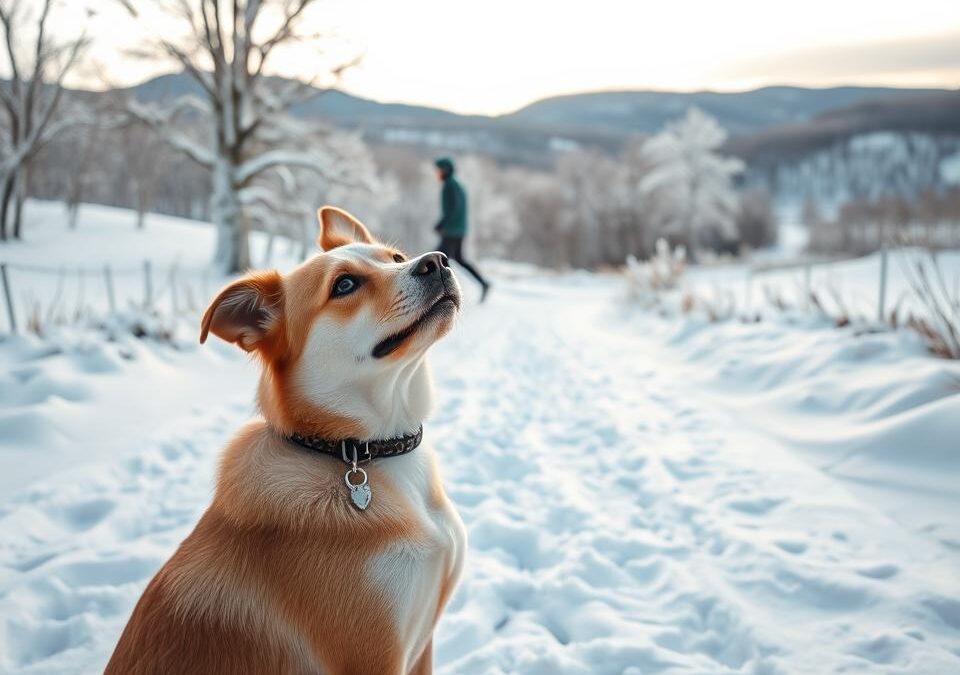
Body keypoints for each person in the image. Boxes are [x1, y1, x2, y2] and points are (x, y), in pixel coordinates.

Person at [433, 157, 491, 302]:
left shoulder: (450, 185)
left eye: (440, 170)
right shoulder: (457, 184)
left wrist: (443, 223)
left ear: (446, 170)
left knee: (438, 260)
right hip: (459, 230)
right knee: (458, 259)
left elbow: (455, 208)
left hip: (452, 230)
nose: (438, 173)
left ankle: (444, 294)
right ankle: (483, 283)